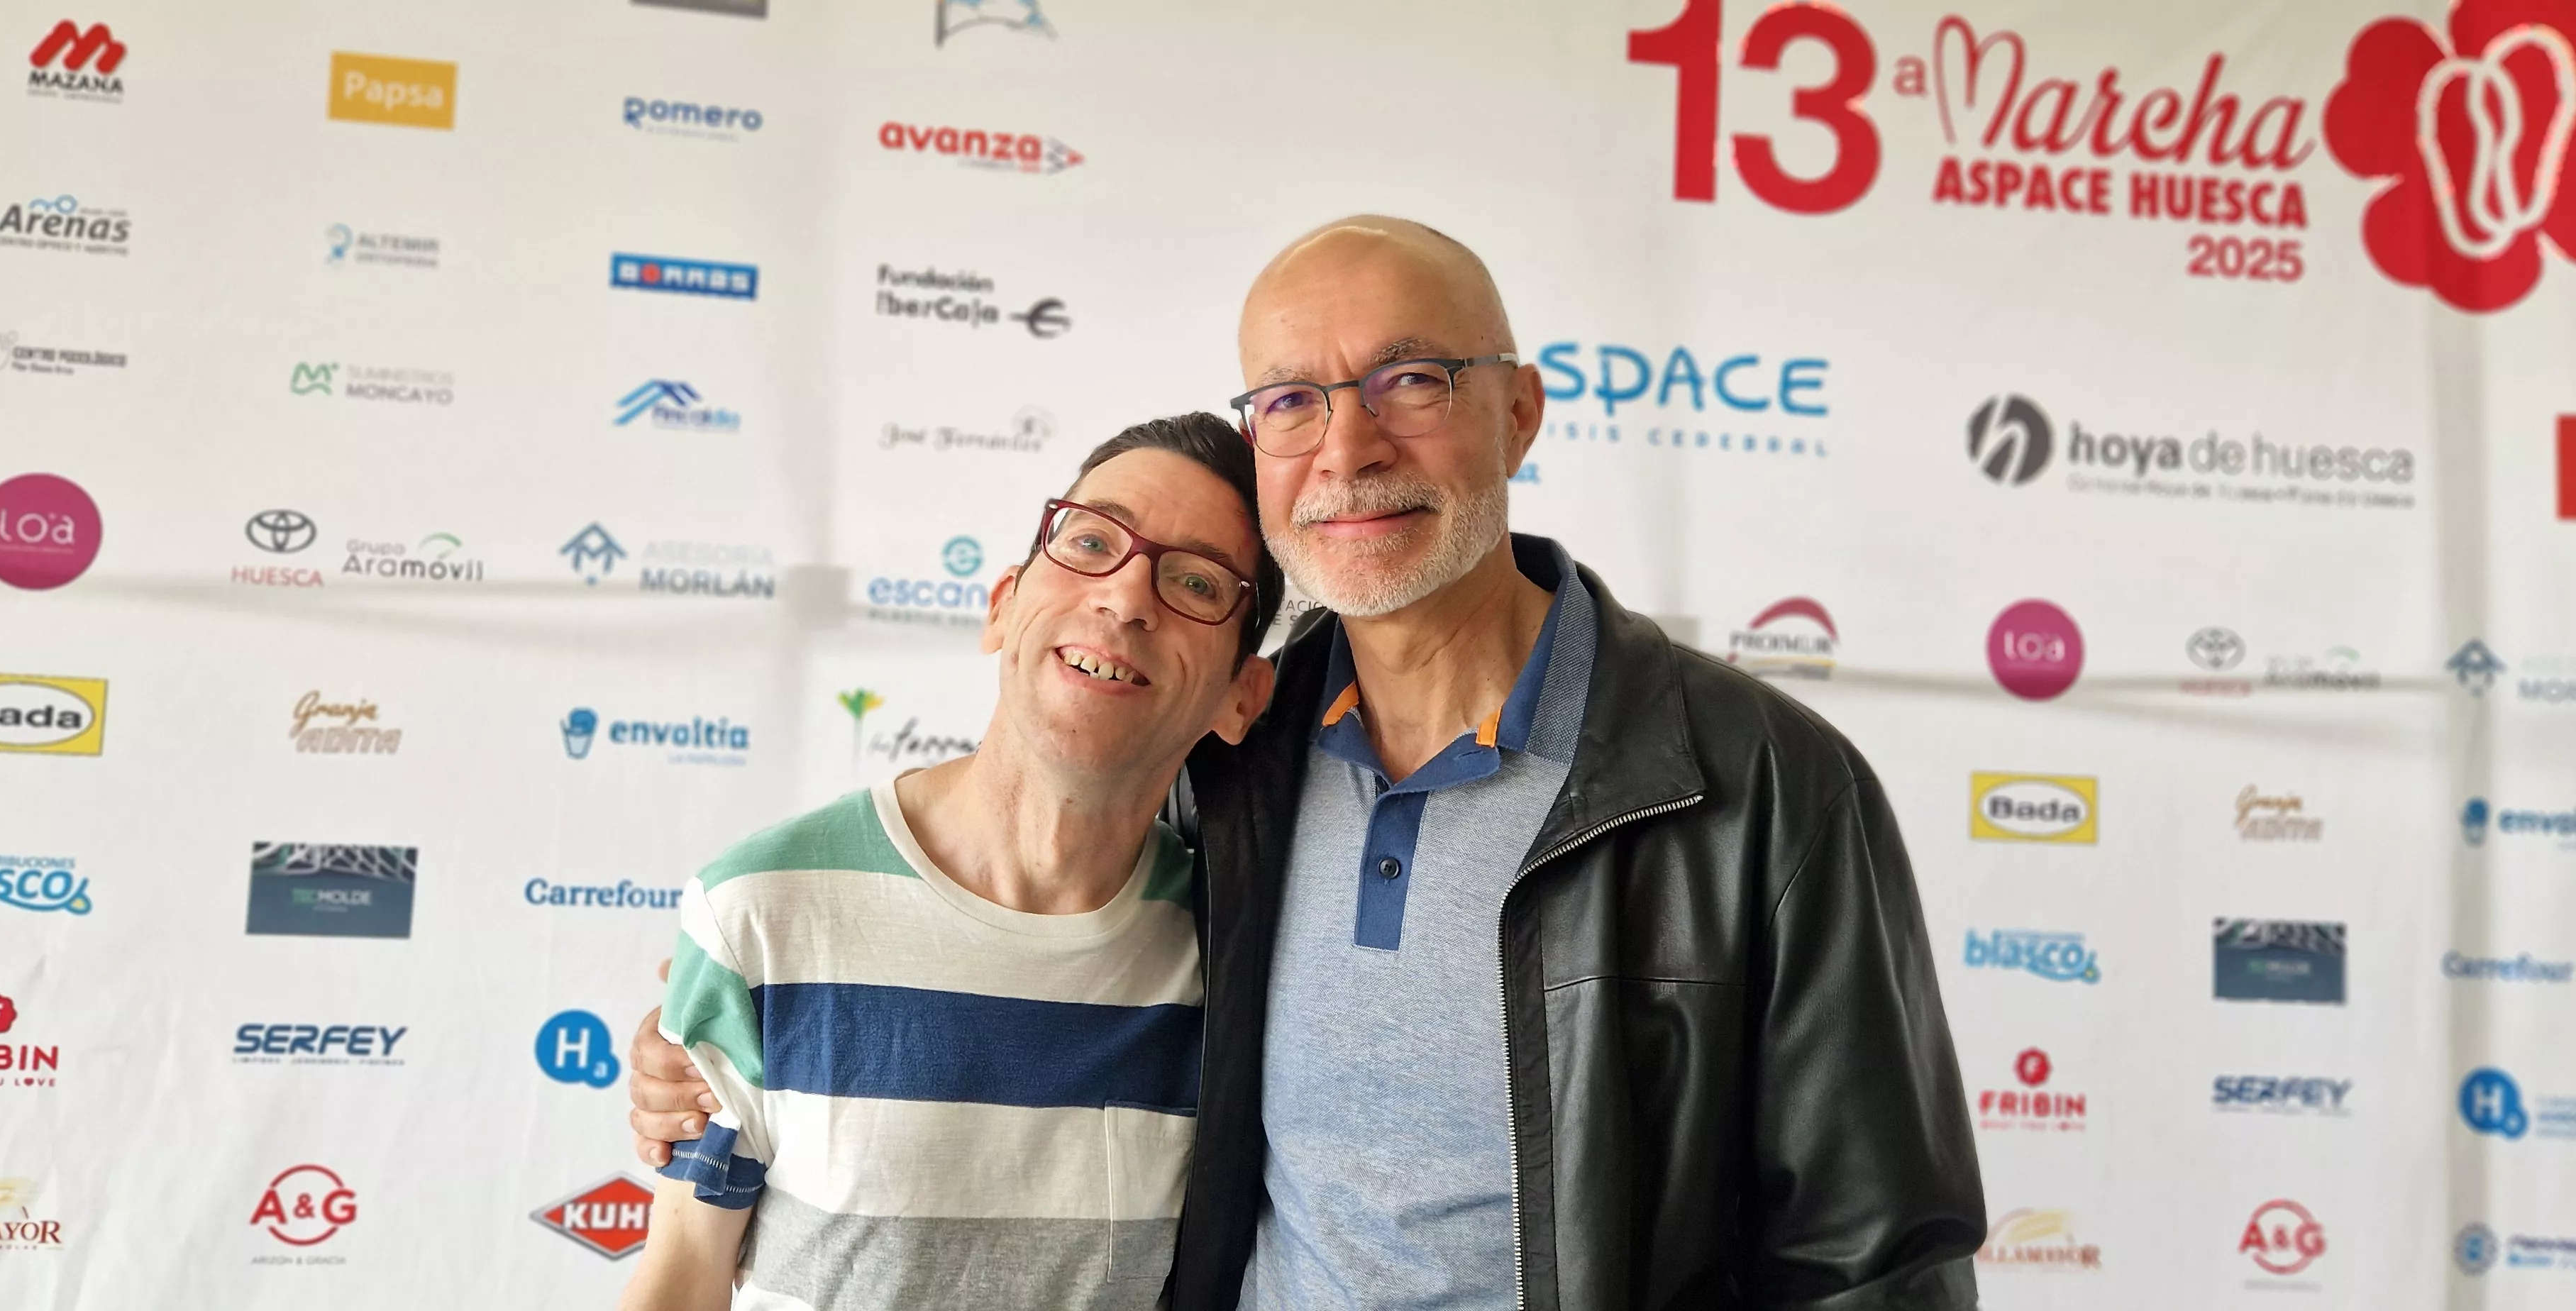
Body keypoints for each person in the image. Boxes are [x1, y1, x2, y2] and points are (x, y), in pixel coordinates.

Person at [631, 217, 1985, 1309]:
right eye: (1292, 400)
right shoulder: (1233, 750)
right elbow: (996, 921)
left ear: (1519, 412)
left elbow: (1876, 1261)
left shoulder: (1759, 786)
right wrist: (704, 1046)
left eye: (1412, 378)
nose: (1349, 448)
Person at [616, 414, 1279, 1311]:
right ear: (1002, 604)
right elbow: (681, 1280)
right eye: (1090, 541)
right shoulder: (760, 909)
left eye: (1195, 581)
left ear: (1243, 696)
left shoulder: (1236, 959)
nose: (1125, 600)